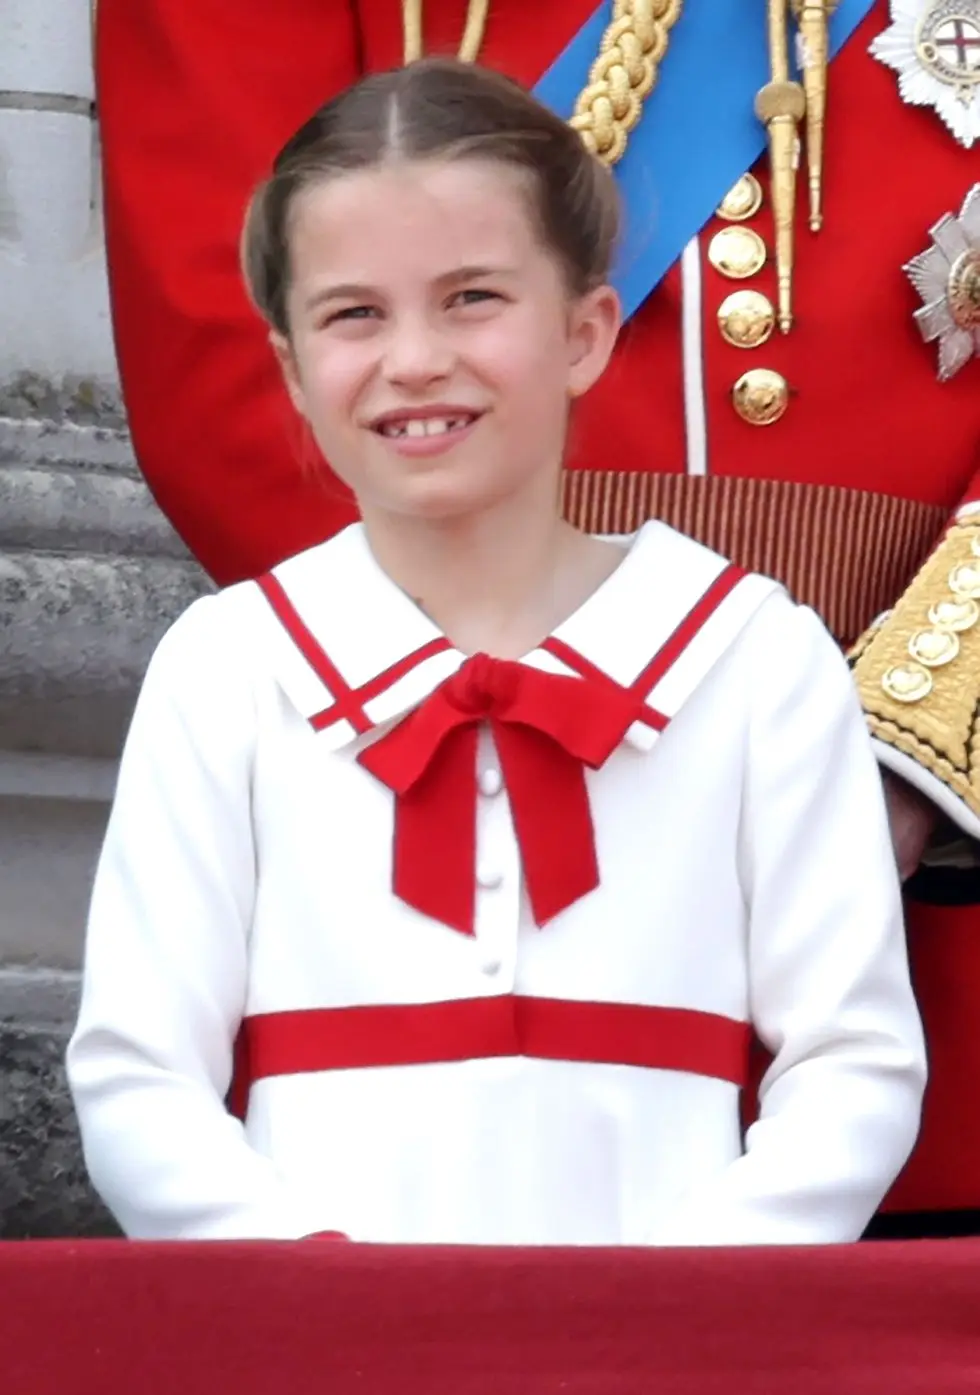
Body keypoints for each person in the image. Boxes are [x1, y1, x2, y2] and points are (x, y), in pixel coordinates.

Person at [92, 0, 980, 1231]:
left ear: (582, 335)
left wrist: (908, 740)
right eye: (358, 319)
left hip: (893, 902)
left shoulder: (756, 661)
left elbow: (849, 1068)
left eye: (470, 303)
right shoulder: (238, 674)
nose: (413, 359)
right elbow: (141, 1075)